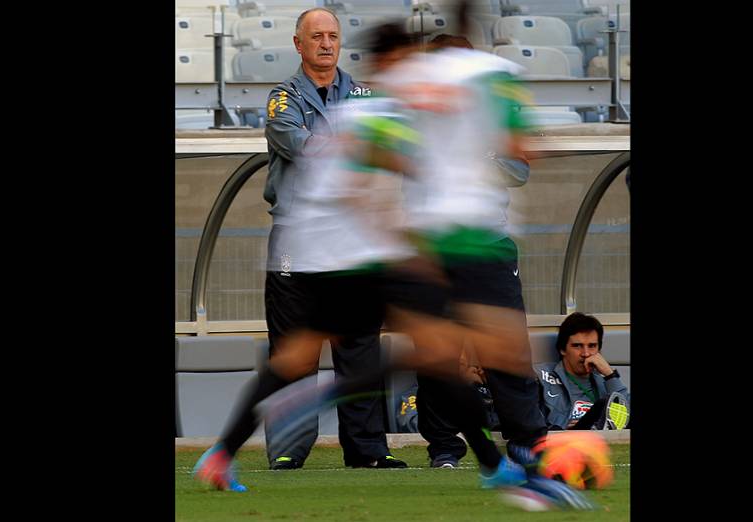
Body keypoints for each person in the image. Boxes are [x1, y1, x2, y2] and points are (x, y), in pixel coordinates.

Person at [195, 20, 595, 511]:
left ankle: (221, 453)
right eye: (411, 61)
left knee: (304, 359)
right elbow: (366, 185)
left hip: (327, 255)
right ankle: (492, 462)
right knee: (430, 350)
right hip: (349, 257)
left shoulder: (368, 108)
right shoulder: (381, 112)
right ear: (393, 62)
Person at [261, 7, 405, 470]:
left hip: (352, 237)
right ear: (298, 44)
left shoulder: (365, 93)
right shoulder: (281, 97)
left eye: (333, 36)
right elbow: (296, 144)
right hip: (297, 236)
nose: (326, 43)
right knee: (294, 350)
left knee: (359, 347)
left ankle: (367, 451)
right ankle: (288, 448)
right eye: (316, 36)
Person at [398, 31, 549, 470]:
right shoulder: (414, 111)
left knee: (506, 351)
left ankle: (528, 444)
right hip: (433, 247)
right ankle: (444, 447)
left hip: (489, 244)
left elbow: (519, 171)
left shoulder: (495, 109)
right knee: (437, 355)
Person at [534, 312, 631, 430]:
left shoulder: (606, 382)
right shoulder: (541, 377)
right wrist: (562, 428)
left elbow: (626, 418)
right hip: (562, 441)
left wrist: (610, 375)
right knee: (602, 406)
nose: (585, 353)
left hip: (603, 442)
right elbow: (527, 422)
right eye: (577, 346)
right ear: (562, 349)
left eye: (592, 346)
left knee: (608, 403)